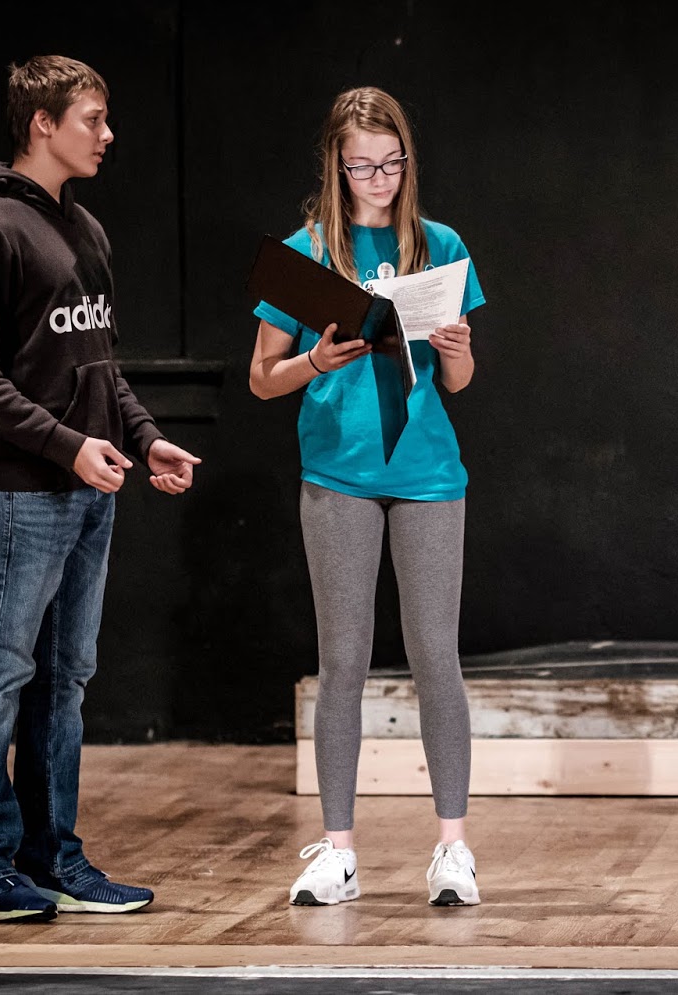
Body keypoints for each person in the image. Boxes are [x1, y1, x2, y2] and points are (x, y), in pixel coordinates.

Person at [0, 55, 202, 921]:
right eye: (93, 118)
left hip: (92, 489)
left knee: (65, 678)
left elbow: (99, 364)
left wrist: (146, 438)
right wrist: (66, 445)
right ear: (41, 124)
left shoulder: (85, 231)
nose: (108, 134)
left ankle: (53, 856)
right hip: (22, 491)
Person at [250, 87, 485, 907]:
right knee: (342, 661)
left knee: (436, 657)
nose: (379, 179)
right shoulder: (306, 252)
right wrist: (317, 361)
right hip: (339, 475)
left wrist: (455, 348)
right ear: (336, 166)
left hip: (427, 474)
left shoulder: (439, 244)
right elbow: (262, 378)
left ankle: (453, 847)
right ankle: (339, 852)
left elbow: (460, 379)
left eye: (392, 163)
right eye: (362, 166)